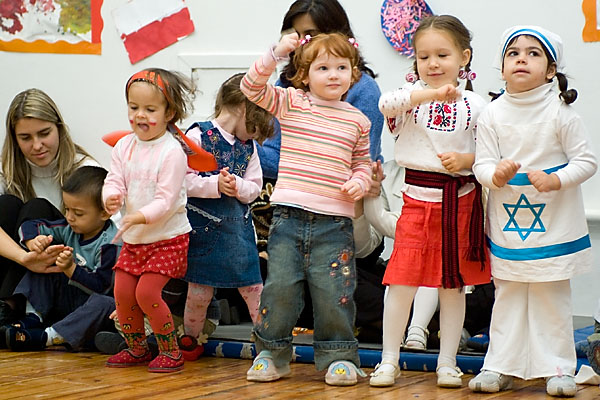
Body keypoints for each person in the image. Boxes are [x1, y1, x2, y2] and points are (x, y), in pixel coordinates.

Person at [469, 26, 597, 397]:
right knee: (507, 297)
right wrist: (495, 175)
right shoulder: (492, 114)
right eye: (513, 53)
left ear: (551, 69)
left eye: (533, 53)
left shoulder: (562, 113)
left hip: (554, 224)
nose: (521, 58)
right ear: (502, 68)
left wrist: (556, 180)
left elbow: (586, 161)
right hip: (510, 226)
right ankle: (500, 365)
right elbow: (481, 164)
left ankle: (557, 368)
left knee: (550, 298)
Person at [241, 32, 372, 386]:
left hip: (335, 225)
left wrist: (360, 182)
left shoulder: (358, 121)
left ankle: (340, 355)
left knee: (335, 293)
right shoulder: (292, 103)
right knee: (279, 289)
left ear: (353, 73)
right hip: (288, 219)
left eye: (341, 67)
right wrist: (275, 53)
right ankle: (270, 353)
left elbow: (362, 163)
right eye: (323, 68)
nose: (333, 75)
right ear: (304, 75)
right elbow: (250, 88)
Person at [370, 15, 490, 389]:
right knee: (401, 282)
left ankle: (447, 362)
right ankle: (389, 359)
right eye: (424, 57)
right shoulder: (409, 100)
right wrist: (429, 94)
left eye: (442, 55)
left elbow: (491, 154)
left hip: (460, 203)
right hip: (416, 201)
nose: (433, 64)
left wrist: (466, 161)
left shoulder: (477, 104)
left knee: (453, 287)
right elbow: (385, 104)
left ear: (464, 57)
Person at [251, 0, 384, 255]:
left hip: (342, 208)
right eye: (296, 35)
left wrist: (244, 151)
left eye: (310, 34)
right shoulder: (287, 83)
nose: (302, 42)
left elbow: (360, 164)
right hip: (289, 205)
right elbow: (274, 148)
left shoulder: (364, 90)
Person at [102, 69, 196, 373]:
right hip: (135, 239)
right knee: (122, 293)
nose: (140, 115)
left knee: (146, 293)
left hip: (168, 239)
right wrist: (111, 196)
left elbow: (166, 201)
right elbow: (114, 180)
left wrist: (140, 216)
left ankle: (171, 351)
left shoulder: (172, 152)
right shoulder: (124, 146)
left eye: (150, 109)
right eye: (134, 107)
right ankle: (137, 348)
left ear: (169, 113)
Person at [180, 73, 274, 359]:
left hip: (238, 233)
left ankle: (268, 339)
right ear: (244, 108)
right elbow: (181, 181)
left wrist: (237, 186)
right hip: (204, 232)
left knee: (254, 288)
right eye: (256, 127)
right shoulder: (197, 136)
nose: (255, 136)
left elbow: (255, 187)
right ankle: (191, 339)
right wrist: (214, 185)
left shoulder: (249, 147)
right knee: (199, 291)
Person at [2, 166, 119, 351]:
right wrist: (34, 241)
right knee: (45, 262)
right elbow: (31, 225)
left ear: (104, 213)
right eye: (67, 209)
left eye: (78, 213)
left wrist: (71, 269)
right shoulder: (69, 227)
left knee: (106, 303)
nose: (69, 217)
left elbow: (103, 286)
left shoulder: (111, 244)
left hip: (91, 308)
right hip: (66, 300)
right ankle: (32, 318)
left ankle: (48, 337)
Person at [0, 88, 98, 298]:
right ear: (15, 139)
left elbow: (111, 234)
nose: (37, 145)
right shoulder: (6, 170)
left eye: (44, 134)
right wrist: (23, 257)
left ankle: (10, 304)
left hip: (66, 271)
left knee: (37, 208)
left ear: (59, 129)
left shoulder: (85, 170)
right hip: (21, 266)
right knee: (7, 204)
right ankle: (7, 305)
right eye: (25, 137)